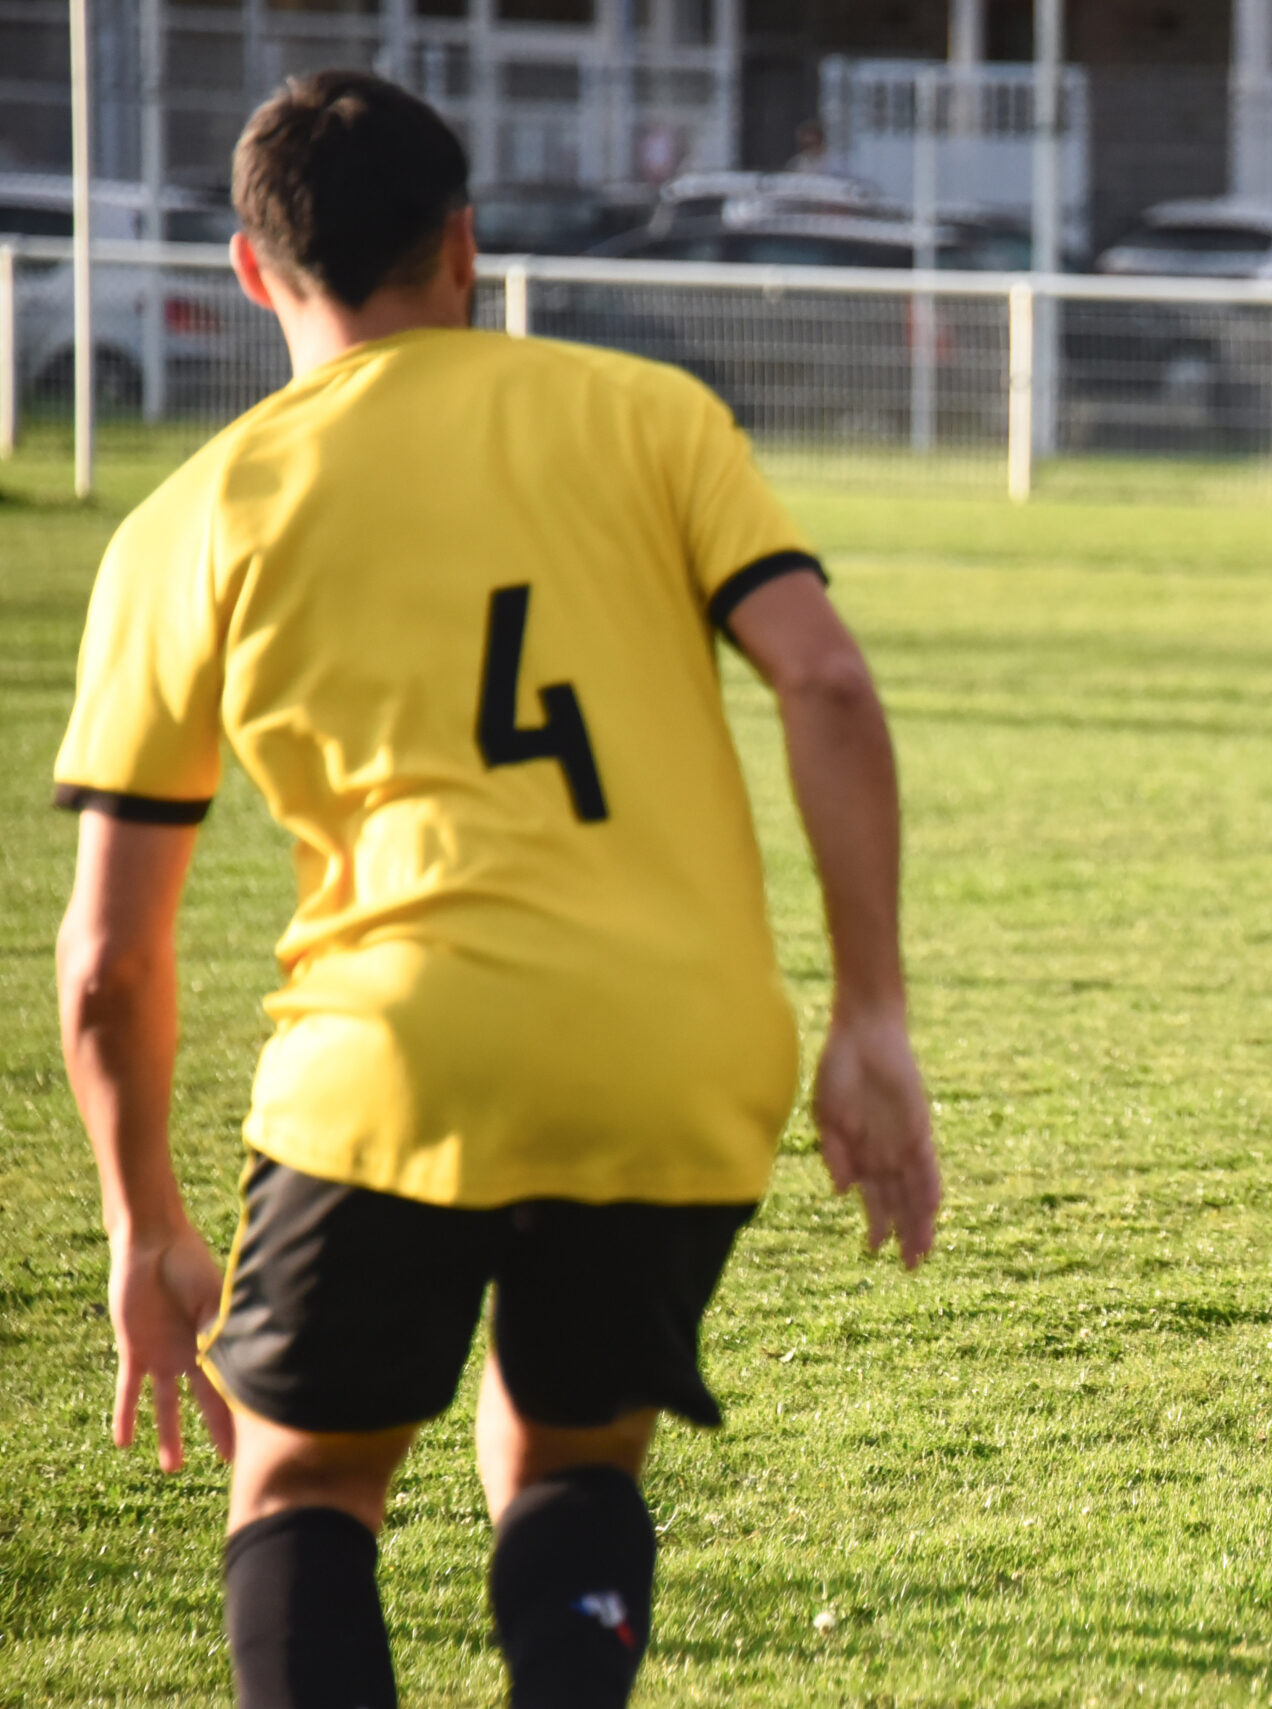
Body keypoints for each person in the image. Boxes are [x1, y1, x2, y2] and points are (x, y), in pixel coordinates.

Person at [51, 72, 940, 1707]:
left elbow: (109, 956)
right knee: (569, 1457)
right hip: (672, 1051)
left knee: (307, 1480)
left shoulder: (193, 519)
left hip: (391, 1060)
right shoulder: (648, 413)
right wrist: (871, 1011)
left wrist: (142, 1221)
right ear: (463, 244)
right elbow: (825, 681)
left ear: (252, 270)